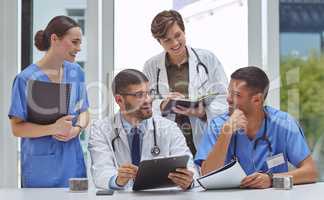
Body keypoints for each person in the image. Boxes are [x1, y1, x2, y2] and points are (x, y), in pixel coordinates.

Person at [195, 66, 318, 189]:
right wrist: (226, 133)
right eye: (229, 92)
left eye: (236, 95)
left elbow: (310, 172)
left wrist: (271, 179)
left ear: (257, 100)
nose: (228, 99)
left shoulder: (284, 124)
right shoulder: (218, 125)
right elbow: (206, 174)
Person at [8, 16, 90, 187]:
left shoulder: (76, 72)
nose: (79, 48)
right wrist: (52, 128)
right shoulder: (25, 79)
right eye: (74, 42)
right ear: (54, 39)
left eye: (80, 43)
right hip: (40, 168)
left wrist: (77, 129)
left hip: (72, 163)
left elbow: (84, 111)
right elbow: (17, 128)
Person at [88, 69, 197, 190]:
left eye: (149, 93)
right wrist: (117, 180)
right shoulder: (101, 129)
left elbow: (189, 167)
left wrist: (188, 181)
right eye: (139, 95)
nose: (148, 100)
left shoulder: (169, 128)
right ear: (119, 100)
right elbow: (100, 171)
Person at [143, 10, 228, 155]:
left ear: (184, 31)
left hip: (202, 137)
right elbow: (144, 104)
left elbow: (224, 98)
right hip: (168, 142)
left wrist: (203, 113)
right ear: (159, 41)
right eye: (167, 40)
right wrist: (162, 105)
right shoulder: (151, 66)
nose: (175, 43)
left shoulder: (208, 59)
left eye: (177, 35)